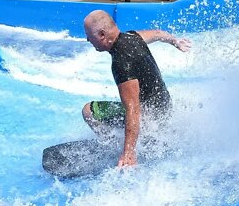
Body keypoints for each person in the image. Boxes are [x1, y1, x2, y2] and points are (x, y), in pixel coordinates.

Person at [82, 10, 192, 168]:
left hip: (149, 118)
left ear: (101, 35)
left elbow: (133, 110)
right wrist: (175, 41)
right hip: (164, 109)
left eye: (89, 35)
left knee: (88, 111)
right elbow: (157, 33)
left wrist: (129, 153)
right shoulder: (132, 37)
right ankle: (132, 141)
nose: (87, 39)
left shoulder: (122, 62)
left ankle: (115, 147)